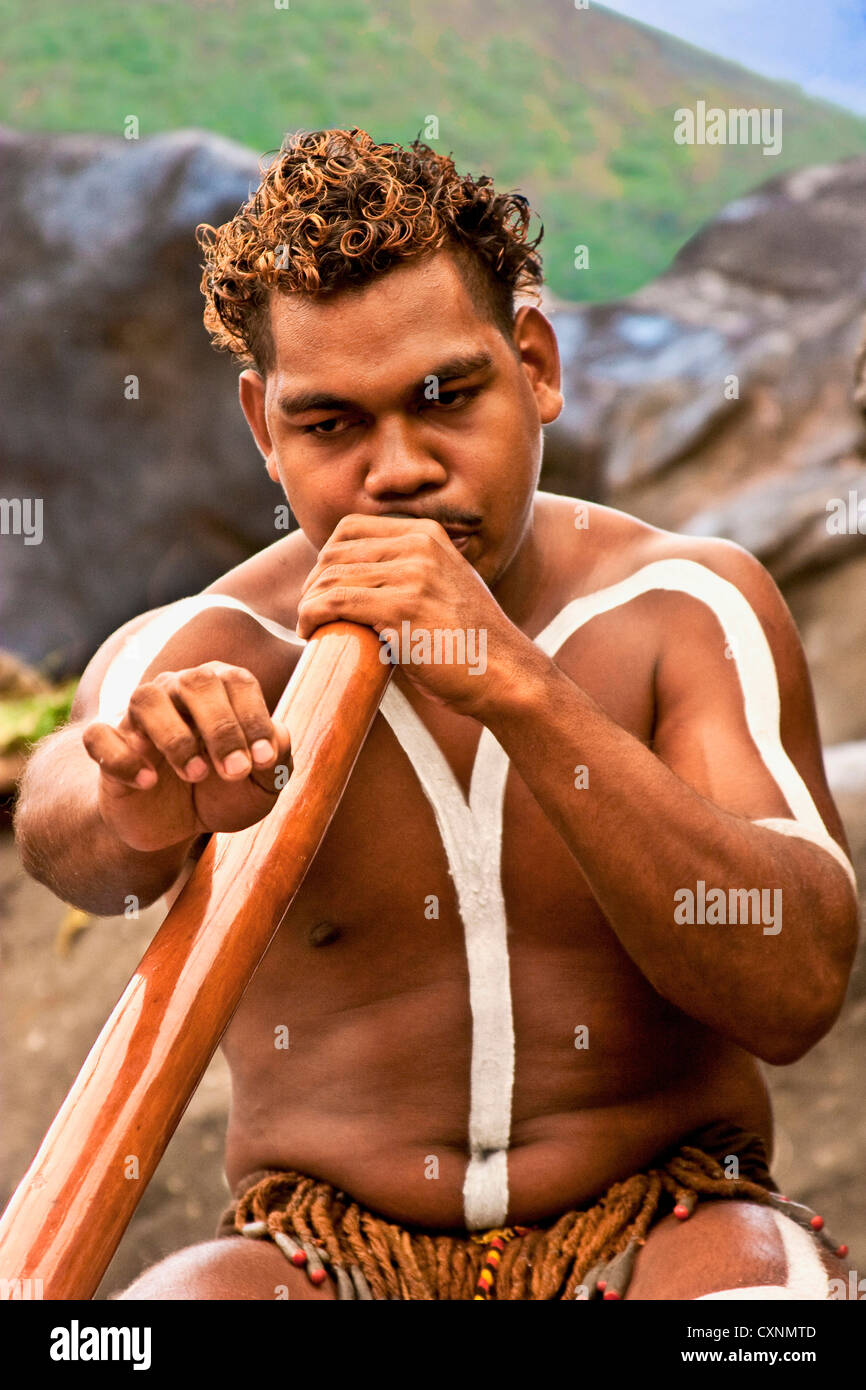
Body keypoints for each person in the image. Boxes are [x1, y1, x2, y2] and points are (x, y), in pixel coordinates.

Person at [14, 128, 859, 1300]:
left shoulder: (682, 608)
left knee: (763, 1310)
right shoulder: (221, 648)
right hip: (322, 1253)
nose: (398, 468)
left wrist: (519, 688)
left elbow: (795, 986)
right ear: (265, 429)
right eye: (331, 425)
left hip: (656, 1218)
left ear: (535, 365)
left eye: (444, 397)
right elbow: (60, 818)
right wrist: (130, 796)